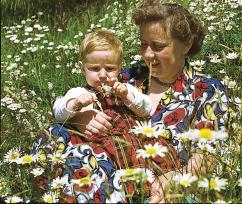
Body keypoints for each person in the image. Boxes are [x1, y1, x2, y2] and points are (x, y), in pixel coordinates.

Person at [33, 1, 228, 203]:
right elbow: (82, 98)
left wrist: (174, 180)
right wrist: (83, 117)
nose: (147, 54)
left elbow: (208, 155)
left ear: (186, 45)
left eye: (158, 46)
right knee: (51, 139)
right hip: (104, 162)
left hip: (161, 184)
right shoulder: (128, 77)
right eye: (143, 44)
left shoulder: (205, 91)